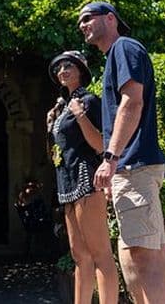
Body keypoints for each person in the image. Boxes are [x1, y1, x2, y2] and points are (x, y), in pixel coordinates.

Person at [77, 1, 165, 304]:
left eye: (88, 18)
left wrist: (111, 159)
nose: (83, 25)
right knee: (143, 257)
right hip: (130, 169)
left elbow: (133, 102)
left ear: (110, 18)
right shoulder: (114, 57)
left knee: (142, 259)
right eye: (79, 22)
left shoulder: (125, 48)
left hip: (134, 167)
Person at [46, 50, 118, 304]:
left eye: (69, 66)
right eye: (59, 67)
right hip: (67, 182)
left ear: (81, 70)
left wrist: (79, 115)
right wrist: (51, 125)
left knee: (100, 255)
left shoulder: (88, 101)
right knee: (79, 256)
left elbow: (102, 145)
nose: (63, 70)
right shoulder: (61, 107)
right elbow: (57, 153)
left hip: (87, 179)